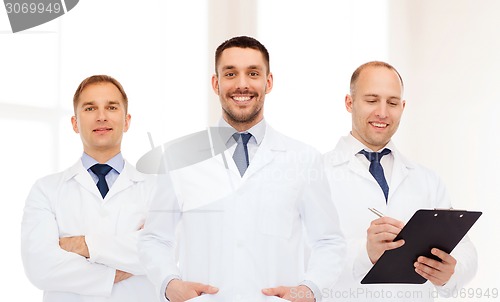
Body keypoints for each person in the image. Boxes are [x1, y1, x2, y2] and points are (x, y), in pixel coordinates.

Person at [139, 36, 345, 302]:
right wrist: (170, 284)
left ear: (268, 82)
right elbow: (154, 238)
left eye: (253, 73)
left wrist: (309, 289)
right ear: (216, 83)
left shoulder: (303, 159)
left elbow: (329, 242)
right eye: (230, 73)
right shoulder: (179, 157)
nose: (242, 84)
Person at [323, 61, 478, 301]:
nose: (383, 112)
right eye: (372, 100)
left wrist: (451, 272)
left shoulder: (426, 179)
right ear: (349, 102)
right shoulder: (316, 175)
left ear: (402, 107)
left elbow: (465, 249)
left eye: (393, 103)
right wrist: (365, 253)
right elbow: (296, 258)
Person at [21, 75, 157, 301]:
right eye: (90, 108)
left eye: (111, 107)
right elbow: (39, 267)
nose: (101, 116)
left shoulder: (157, 189)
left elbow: (164, 251)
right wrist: (120, 267)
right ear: (75, 123)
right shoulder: (46, 190)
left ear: (126, 121)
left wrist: (81, 245)